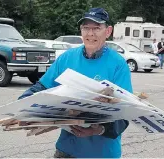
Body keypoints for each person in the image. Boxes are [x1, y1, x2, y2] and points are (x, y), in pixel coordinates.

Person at [18, 7, 133, 158]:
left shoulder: (118, 64)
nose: (90, 34)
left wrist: (98, 130)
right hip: (66, 151)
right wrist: (21, 107)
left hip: (102, 153)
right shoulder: (67, 58)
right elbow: (41, 87)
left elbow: (126, 112)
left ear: (108, 31)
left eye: (96, 28)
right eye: (86, 28)